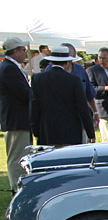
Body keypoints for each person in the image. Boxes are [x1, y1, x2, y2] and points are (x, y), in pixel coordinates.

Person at [30, 45, 94, 146]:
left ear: (51, 61)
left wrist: (36, 130)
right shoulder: (74, 80)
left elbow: (34, 107)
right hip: (71, 130)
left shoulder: (38, 79)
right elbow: (82, 107)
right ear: (67, 62)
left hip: (47, 129)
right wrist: (90, 132)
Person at [1, 36, 32, 191]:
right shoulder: (8, 68)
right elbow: (24, 93)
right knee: (16, 158)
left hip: (19, 118)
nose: (25, 52)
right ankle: (16, 189)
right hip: (15, 119)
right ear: (15, 51)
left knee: (22, 154)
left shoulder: (12, 66)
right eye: (23, 50)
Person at [61, 43, 99, 139]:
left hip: (79, 120)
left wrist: (95, 112)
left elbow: (89, 94)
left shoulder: (79, 70)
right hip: (58, 121)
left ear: (73, 56)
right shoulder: (50, 71)